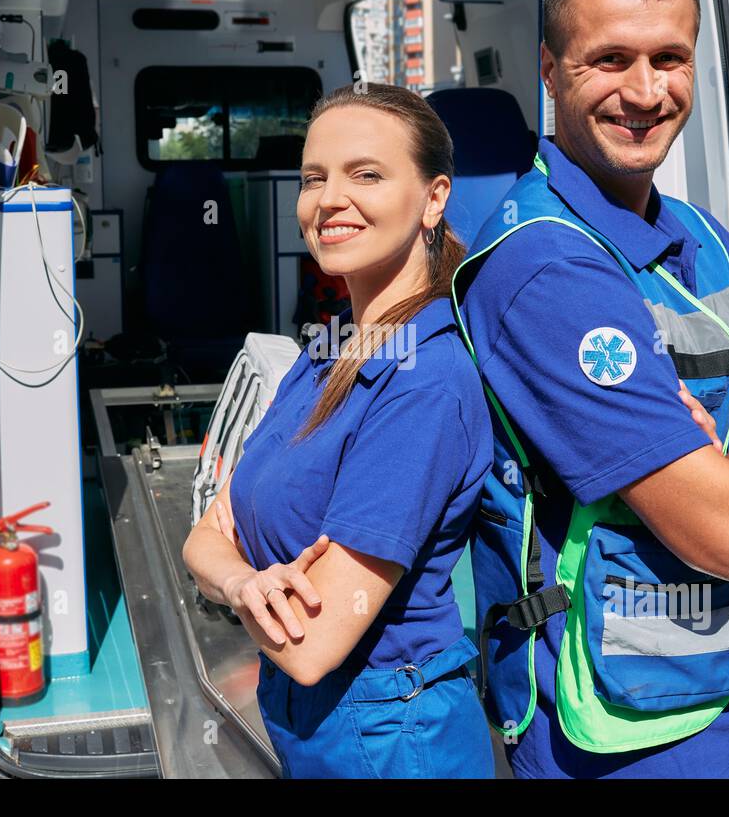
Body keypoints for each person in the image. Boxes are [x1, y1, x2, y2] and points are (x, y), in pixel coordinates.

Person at [452, 0, 729, 778]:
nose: (645, 90)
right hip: (619, 741)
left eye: (670, 58)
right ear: (550, 72)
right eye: (610, 60)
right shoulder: (544, 269)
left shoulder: (699, 235)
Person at [182, 82, 495, 778]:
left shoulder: (425, 383)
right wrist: (243, 586)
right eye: (313, 179)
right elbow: (204, 534)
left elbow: (311, 644)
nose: (328, 200)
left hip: (392, 738)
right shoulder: (328, 352)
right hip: (312, 726)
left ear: (434, 198)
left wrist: (230, 574)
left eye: (367, 175)